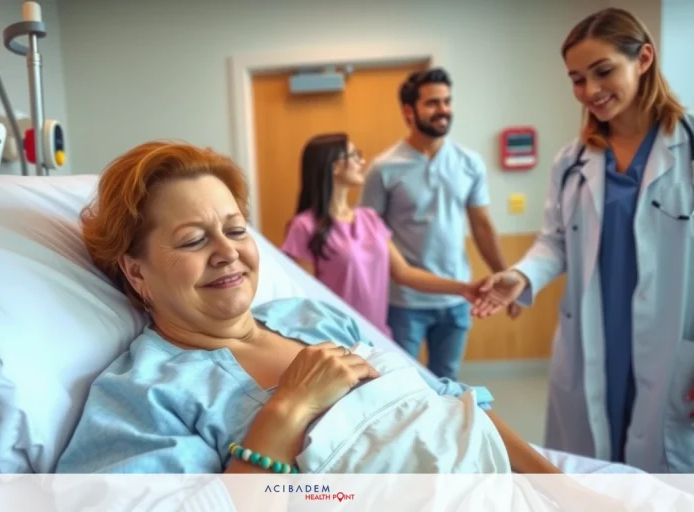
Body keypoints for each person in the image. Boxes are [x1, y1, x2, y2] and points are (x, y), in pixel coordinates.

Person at [54, 140, 567, 477]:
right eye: (192, 240)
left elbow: (455, 407)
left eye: (236, 230)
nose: (228, 251)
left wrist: (565, 491)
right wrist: (289, 407)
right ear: (136, 271)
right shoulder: (145, 394)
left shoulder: (312, 317)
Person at [472, 8, 694, 473]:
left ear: (644, 58)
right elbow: (553, 241)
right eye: (577, 79)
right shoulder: (571, 161)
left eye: (603, 71)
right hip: (597, 338)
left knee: (666, 480)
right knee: (592, 472)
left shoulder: (687, 148)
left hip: (676, 342)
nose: (590, 90)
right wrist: (520, 274)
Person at [359, 67, 519, 381]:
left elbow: (482, 225)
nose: (443, 110)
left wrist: (505, 276)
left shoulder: (469, 163)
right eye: (433, 103)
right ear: (409, 111)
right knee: (398, 382)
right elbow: (369, 235)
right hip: (404, 303)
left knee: (446, 382)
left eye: (447, 101)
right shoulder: (383, 169)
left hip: (458, 300)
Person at [282, 132, 491, 338]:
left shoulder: (369, 219)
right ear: (334, 167)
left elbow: (405, 274)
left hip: (377, 335)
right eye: (354, 155)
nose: (361, 162)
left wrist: (464, 288)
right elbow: (303, 296)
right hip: (334, 339)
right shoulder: (304, 227)